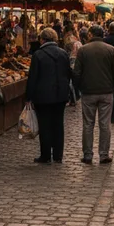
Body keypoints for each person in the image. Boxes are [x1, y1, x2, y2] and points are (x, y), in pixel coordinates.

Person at [73, 24, 114, 165]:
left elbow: (76, 72)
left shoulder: (83, 50)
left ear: (90, 34)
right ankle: (103, 154)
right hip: (106, 92)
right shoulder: (111, 50)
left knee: (88, 124)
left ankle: (88, 155)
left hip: (88, 92)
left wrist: (78, 89)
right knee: (105, 124)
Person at [26, 27, 72, 164]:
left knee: (45, 124)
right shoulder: (63, 53)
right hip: (61, 95)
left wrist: (28, 96)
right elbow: (68, 73)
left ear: (42, 39)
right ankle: (58, 155)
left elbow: (33, 77)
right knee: (58, 124)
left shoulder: (38, 55)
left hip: (43, 96)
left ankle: (45, 155)